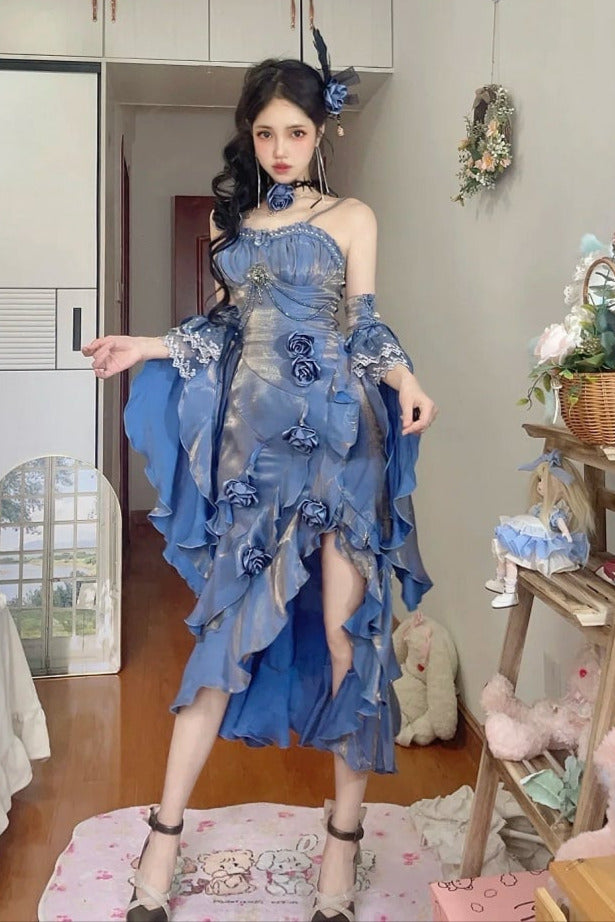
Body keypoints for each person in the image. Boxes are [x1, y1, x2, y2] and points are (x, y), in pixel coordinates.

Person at [84, 31, 437, 922]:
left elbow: (366, 326)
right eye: (266, 132)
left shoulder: (351, 217)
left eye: (297, 132)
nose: (281, 148)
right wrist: (146, 345)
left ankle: (340, 851)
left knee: (347, 641)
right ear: (249, 134)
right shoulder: (230, 223)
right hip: (255, 458)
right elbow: (221, 330)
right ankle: (162, 840)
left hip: (341, 444)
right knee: (222, 640)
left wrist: (405, 380)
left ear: (322, 134)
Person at [486, 449, 594, 609]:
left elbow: (559, 522)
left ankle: (510, 592)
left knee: (510, 557)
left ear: (559, 487)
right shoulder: (541, 508)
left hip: (548, 550)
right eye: (539, 480)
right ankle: (500, 579)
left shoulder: (556, 512)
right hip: (540, 543)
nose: (539, 485)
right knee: (503, 546)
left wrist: (565, 532)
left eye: (544, 481)